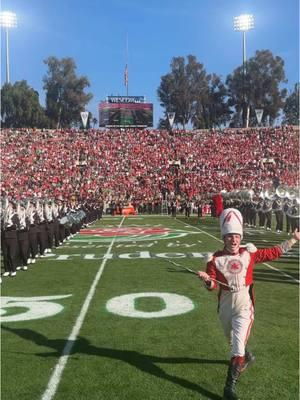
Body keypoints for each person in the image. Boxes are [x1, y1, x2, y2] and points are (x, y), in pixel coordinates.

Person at [197, 208, 300, 400]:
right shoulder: (215, 259)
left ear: (240, 236)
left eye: (236, 236)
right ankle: (247, 356)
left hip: (244, 304)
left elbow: (272, 253)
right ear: (224, 237)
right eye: (229, 237)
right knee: (232, 341)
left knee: (236, 347)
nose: (234, 240)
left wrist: (293, 239)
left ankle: (229, 388)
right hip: (226, 306)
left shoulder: (249, 253)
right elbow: (212, 285)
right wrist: (206, 280)